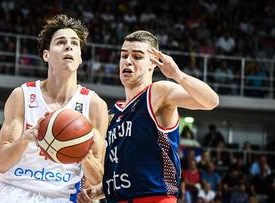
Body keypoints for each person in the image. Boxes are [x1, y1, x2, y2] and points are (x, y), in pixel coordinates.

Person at [78, 30, 219, 203]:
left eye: (137, 57)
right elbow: (124, 175)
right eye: (124, 56)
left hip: (156, 198)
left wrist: (177, 75)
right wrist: (97, 192)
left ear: (153, 63)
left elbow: (211, 101)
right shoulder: (112, 114)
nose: (128, 61)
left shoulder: (157, 93)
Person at [0, 14, 108, 203]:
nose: (69, 46)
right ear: (46, 55)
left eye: (74, 44)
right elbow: (2, 164)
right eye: (61, 42)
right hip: (15, 190)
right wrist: (26, 139)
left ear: (79, 58)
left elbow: (98, 179)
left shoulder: (94, 105)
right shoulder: (22, 96)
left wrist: (83, 155)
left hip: (61, 196)